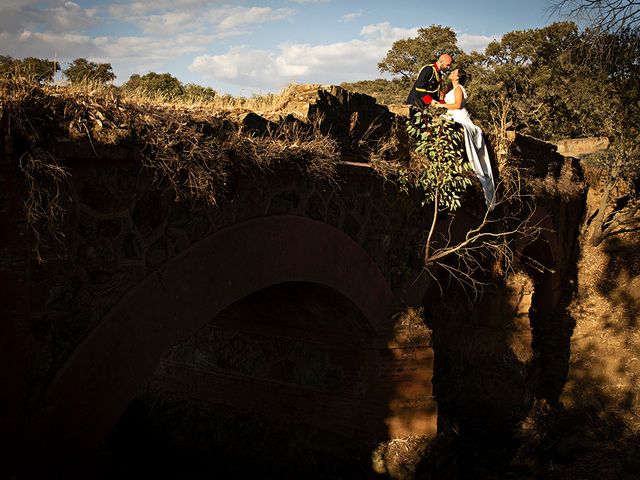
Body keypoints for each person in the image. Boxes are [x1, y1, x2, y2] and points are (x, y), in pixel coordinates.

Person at [432, 67, 496, 210]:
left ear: (457, 77)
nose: (451, 73)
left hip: (459, 115)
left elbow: (457, 105)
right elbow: (442, 98)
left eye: (453, 72)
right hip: (449, 114)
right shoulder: (451, 89)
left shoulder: (459, 88)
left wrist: (440, 105)